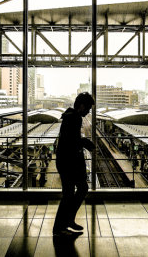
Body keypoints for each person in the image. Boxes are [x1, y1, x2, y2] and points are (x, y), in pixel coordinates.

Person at [53, 92, 95, 237]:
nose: (89, 111)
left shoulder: (70, 116)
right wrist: (84, 142)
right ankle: (60, 227)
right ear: (82, 106)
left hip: (65, 161)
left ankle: (67, 221)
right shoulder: (74, 118)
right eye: (88, 107)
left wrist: (82, 142)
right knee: (74, 192)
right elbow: (71, 142)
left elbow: (69, 140)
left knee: (72, 192)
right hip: (68, 162)